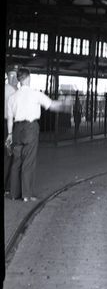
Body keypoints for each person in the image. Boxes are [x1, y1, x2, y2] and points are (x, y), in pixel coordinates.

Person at [5, 68, 71, 201]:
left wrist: (10, 134)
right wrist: (65, 103)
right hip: (30, 128)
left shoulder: (12, 97)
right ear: (28, 78)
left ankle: (13, 194)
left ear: (18, 80)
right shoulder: (35, 94)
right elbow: (52, 105)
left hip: (17, 129)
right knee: (28, 161)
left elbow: (10, 119)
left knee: (16, 162)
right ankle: (26, 195)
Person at [4, 65, 19, 193]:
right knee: (10, 155)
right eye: (12, 76)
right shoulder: (13, 91)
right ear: (9, 77)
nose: (15, 79)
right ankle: (7, 186)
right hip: (10, 124)